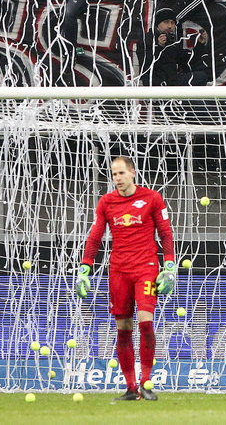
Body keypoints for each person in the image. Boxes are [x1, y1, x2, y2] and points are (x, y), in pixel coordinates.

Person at [75, 156, 177, 401]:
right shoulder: (106, 203)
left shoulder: (152, 198)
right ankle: (131, 388)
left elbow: (165, 233)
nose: (117, 178)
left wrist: (170, 266)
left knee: (145, 322)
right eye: (113, 174)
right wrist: (84, 268)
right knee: (123, 329)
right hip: (119, 270)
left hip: (146, 267)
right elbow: (95, 237)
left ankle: (146, 383)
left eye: (121, 173)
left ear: (132, 172)